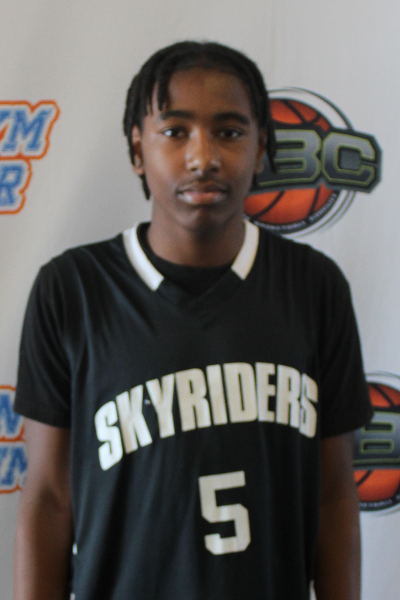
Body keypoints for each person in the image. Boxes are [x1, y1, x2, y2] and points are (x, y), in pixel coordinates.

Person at [13, 41, 372, 600]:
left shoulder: (314, 287)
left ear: (261, 148)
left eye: (228, 132)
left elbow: (333, 494)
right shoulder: (72, 290)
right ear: (138, 150)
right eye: (175, 131)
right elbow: (50, 498)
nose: (202, 157)